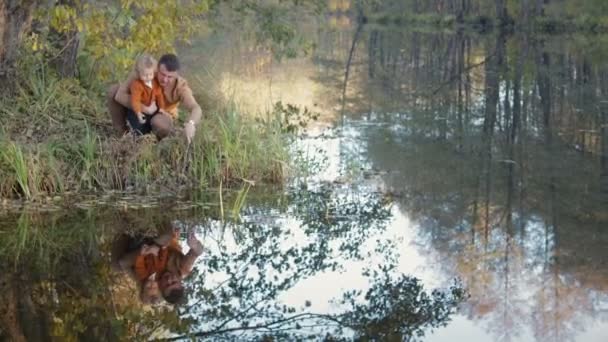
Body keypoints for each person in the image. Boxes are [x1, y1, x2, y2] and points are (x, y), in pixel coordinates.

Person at [106, 53, 202, 142]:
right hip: (141, 106)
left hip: (161, 114)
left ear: (176, 76)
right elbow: (119, 95)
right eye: (162, 74)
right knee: (113, 91)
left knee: (159, 123)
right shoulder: (146, 70)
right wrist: (145, 108)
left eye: (170, 77)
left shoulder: (181, 87)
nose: (165, 79)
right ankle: (121, 134)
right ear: (157, 68)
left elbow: (196, 108)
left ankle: (155, 142)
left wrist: (191, 123)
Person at [118, 226, 204, 304]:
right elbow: (197, 252)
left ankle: (123, 232)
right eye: (174, 282)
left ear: (161, 289)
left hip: (143, 249)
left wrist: (143, 253)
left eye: (166, 285)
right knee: (167, 236)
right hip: (163, 240)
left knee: (118, 265)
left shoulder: (150, 282)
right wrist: (195, 245)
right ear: (180, 282)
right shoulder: (183, 270)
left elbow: (127, 266)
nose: (169, 280)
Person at [127, 54, 167, 136]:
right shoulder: (136, 85)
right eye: (145, 75)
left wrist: (162, 107)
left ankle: (152, 136)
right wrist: (138, 113)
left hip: (152, 108)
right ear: (139, 73)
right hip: (138, 110)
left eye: (150, 74)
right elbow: (135, 100)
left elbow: (159, 96)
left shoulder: (155, 83)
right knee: (139, 126)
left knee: (153, 123)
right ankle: (138, 136)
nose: (148, 77)